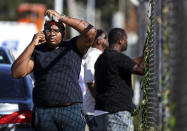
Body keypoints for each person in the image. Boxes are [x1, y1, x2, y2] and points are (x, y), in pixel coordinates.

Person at [11, 9, 96, 131]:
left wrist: (62, 18)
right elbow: (16, 73)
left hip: (70, 110)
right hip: (44, 112)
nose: (51, 33)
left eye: (56, 31)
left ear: (64, 33)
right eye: (48, 30)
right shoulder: (38, 50)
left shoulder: (73, 46)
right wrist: (32, 44)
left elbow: (91, 31)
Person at [94, 28, 145, 131]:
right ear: (121, 40)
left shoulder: (102, 58)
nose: (127, 42)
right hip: (116, 113)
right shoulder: (117, 57)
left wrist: (142, 57)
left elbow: (129, 63)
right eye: (126, 39)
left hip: (101, 112)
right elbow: (141, 69)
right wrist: (147, 53)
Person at [83, 29, 108, 131]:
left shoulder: (99, 55)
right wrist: (101, 103)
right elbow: (91, 83)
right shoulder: (92, 56)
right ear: (99, 41)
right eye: (105, 37)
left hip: (99, 110)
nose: (108, 40)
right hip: (94, 111)